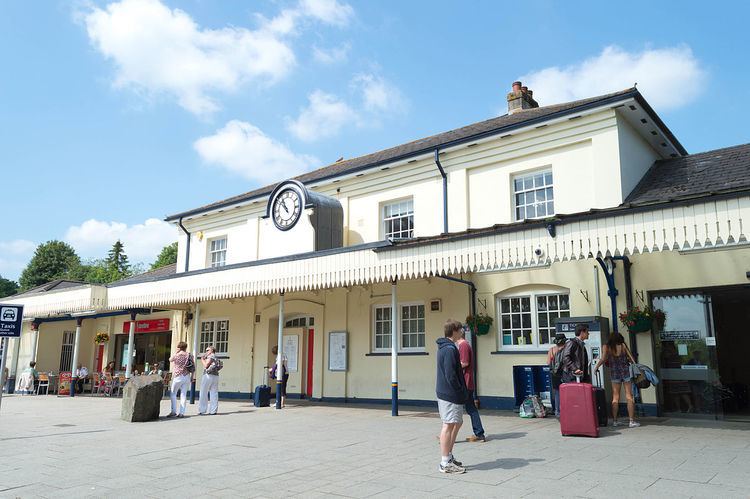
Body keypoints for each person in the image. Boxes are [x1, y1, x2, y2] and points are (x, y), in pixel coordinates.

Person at [436, 319, 469, 474]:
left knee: (456, 422)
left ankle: (448, 456)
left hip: (448, 393)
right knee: (448, 424)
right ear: (454, 330)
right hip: (450, 394)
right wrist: (459, 389)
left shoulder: (446, 347)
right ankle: (444, 462)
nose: (462, 332)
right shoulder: (449, 349)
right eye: (460, 329)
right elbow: (451, 375)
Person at [594, 332, 639, 428]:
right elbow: (632, 359)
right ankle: (631, 421)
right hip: (626, 372)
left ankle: (615, 421)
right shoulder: (623, 346)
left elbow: (603, 359)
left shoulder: (607, 347)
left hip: (614, 374)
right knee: (629, 396)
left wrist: (596, 367)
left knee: (615, 397)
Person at [457, 328, 485, 442]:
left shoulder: (463, 345)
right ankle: (479, 433)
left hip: (465, 382)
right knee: (470, 408)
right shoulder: (465, 345)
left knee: (455, 408)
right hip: (467, 382)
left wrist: (453, 366)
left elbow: (464, 362)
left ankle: (448, 435)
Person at [167, 341, 193, 418]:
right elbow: (193, 366)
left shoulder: (177, 355)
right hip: (186, 376)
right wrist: (193, 376)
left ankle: (173, 411)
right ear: (185, 347)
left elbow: (170, 359)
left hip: (178, 376)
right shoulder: (189, 355)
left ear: (179, 347)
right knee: (183, 394)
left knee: (173, 393)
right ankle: (182, 412)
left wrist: (176, 352)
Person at [547, 333, 568, 417]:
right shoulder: (567, 349)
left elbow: (548, 362)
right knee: (567, 392)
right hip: (565, 374)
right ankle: (567, 410)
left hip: (555, 374)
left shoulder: (551, 350)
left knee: (557, 393)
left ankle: (558, 412)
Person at [198, 345, 220, 415]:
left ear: (211, 351)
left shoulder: (211, 356)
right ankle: (213, 410)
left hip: (208, 375)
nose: (206, 352)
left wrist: (202, 360)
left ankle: (202, 410)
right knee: (214, 393)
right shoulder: (216, 357)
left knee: (203, 392)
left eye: (207, 350)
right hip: (215, 375)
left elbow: (206, 365)